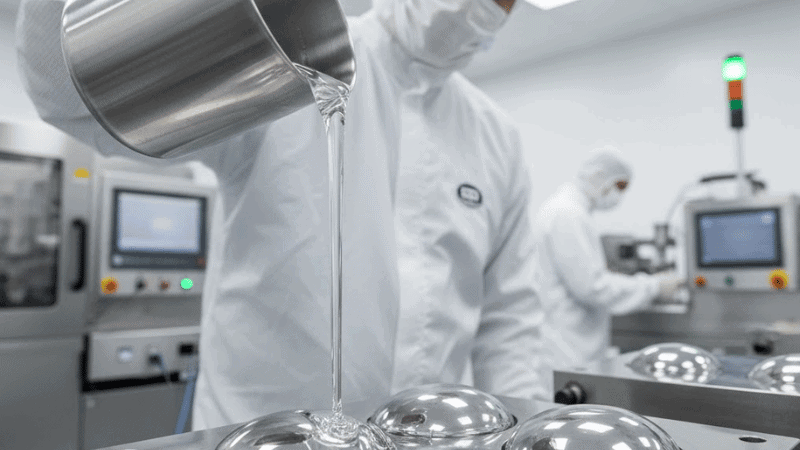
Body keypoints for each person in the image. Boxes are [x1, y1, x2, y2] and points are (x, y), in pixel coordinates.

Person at [16, 0, 521, 429]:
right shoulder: (283, 56)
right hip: (257, 431)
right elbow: (73, 101)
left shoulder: (497, 137)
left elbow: (510, 325)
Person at [391, 75, 546, 400]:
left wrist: (524, 425)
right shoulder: (296, 79)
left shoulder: (495, 134)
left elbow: (508, 319)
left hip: (439, 428)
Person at [532, 147, 685, 396]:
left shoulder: (569, 211)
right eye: (620, 186)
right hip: (566, 350)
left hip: (572, 346)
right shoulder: (567, 214)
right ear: (600, 176)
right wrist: (654, 286)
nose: (618, 195)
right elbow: (593, 288)